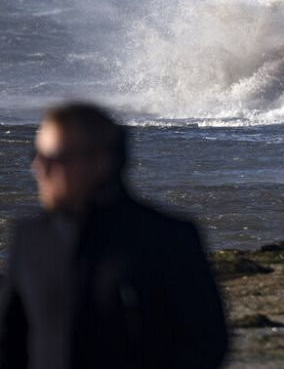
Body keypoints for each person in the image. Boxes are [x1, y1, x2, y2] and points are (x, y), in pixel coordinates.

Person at [0, 103, 228, 369]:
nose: (39, 168)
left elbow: (207, 341)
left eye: (53, 159)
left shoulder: (165, 237)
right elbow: (9, 341)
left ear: (100, 162)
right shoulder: (31, 238)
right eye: (37, 156)